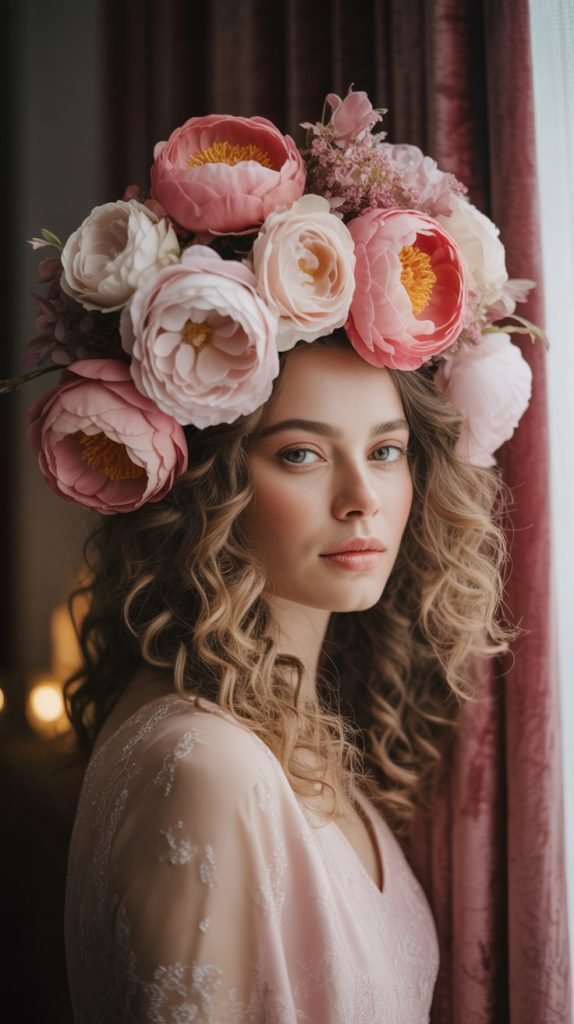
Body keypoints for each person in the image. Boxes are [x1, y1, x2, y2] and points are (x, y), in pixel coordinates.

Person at [10, 88, 540, 1023]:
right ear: (212, 486)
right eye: (301, 452)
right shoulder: (207, 765)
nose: (361, 498)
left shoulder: (275, 725)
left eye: (384, 451)